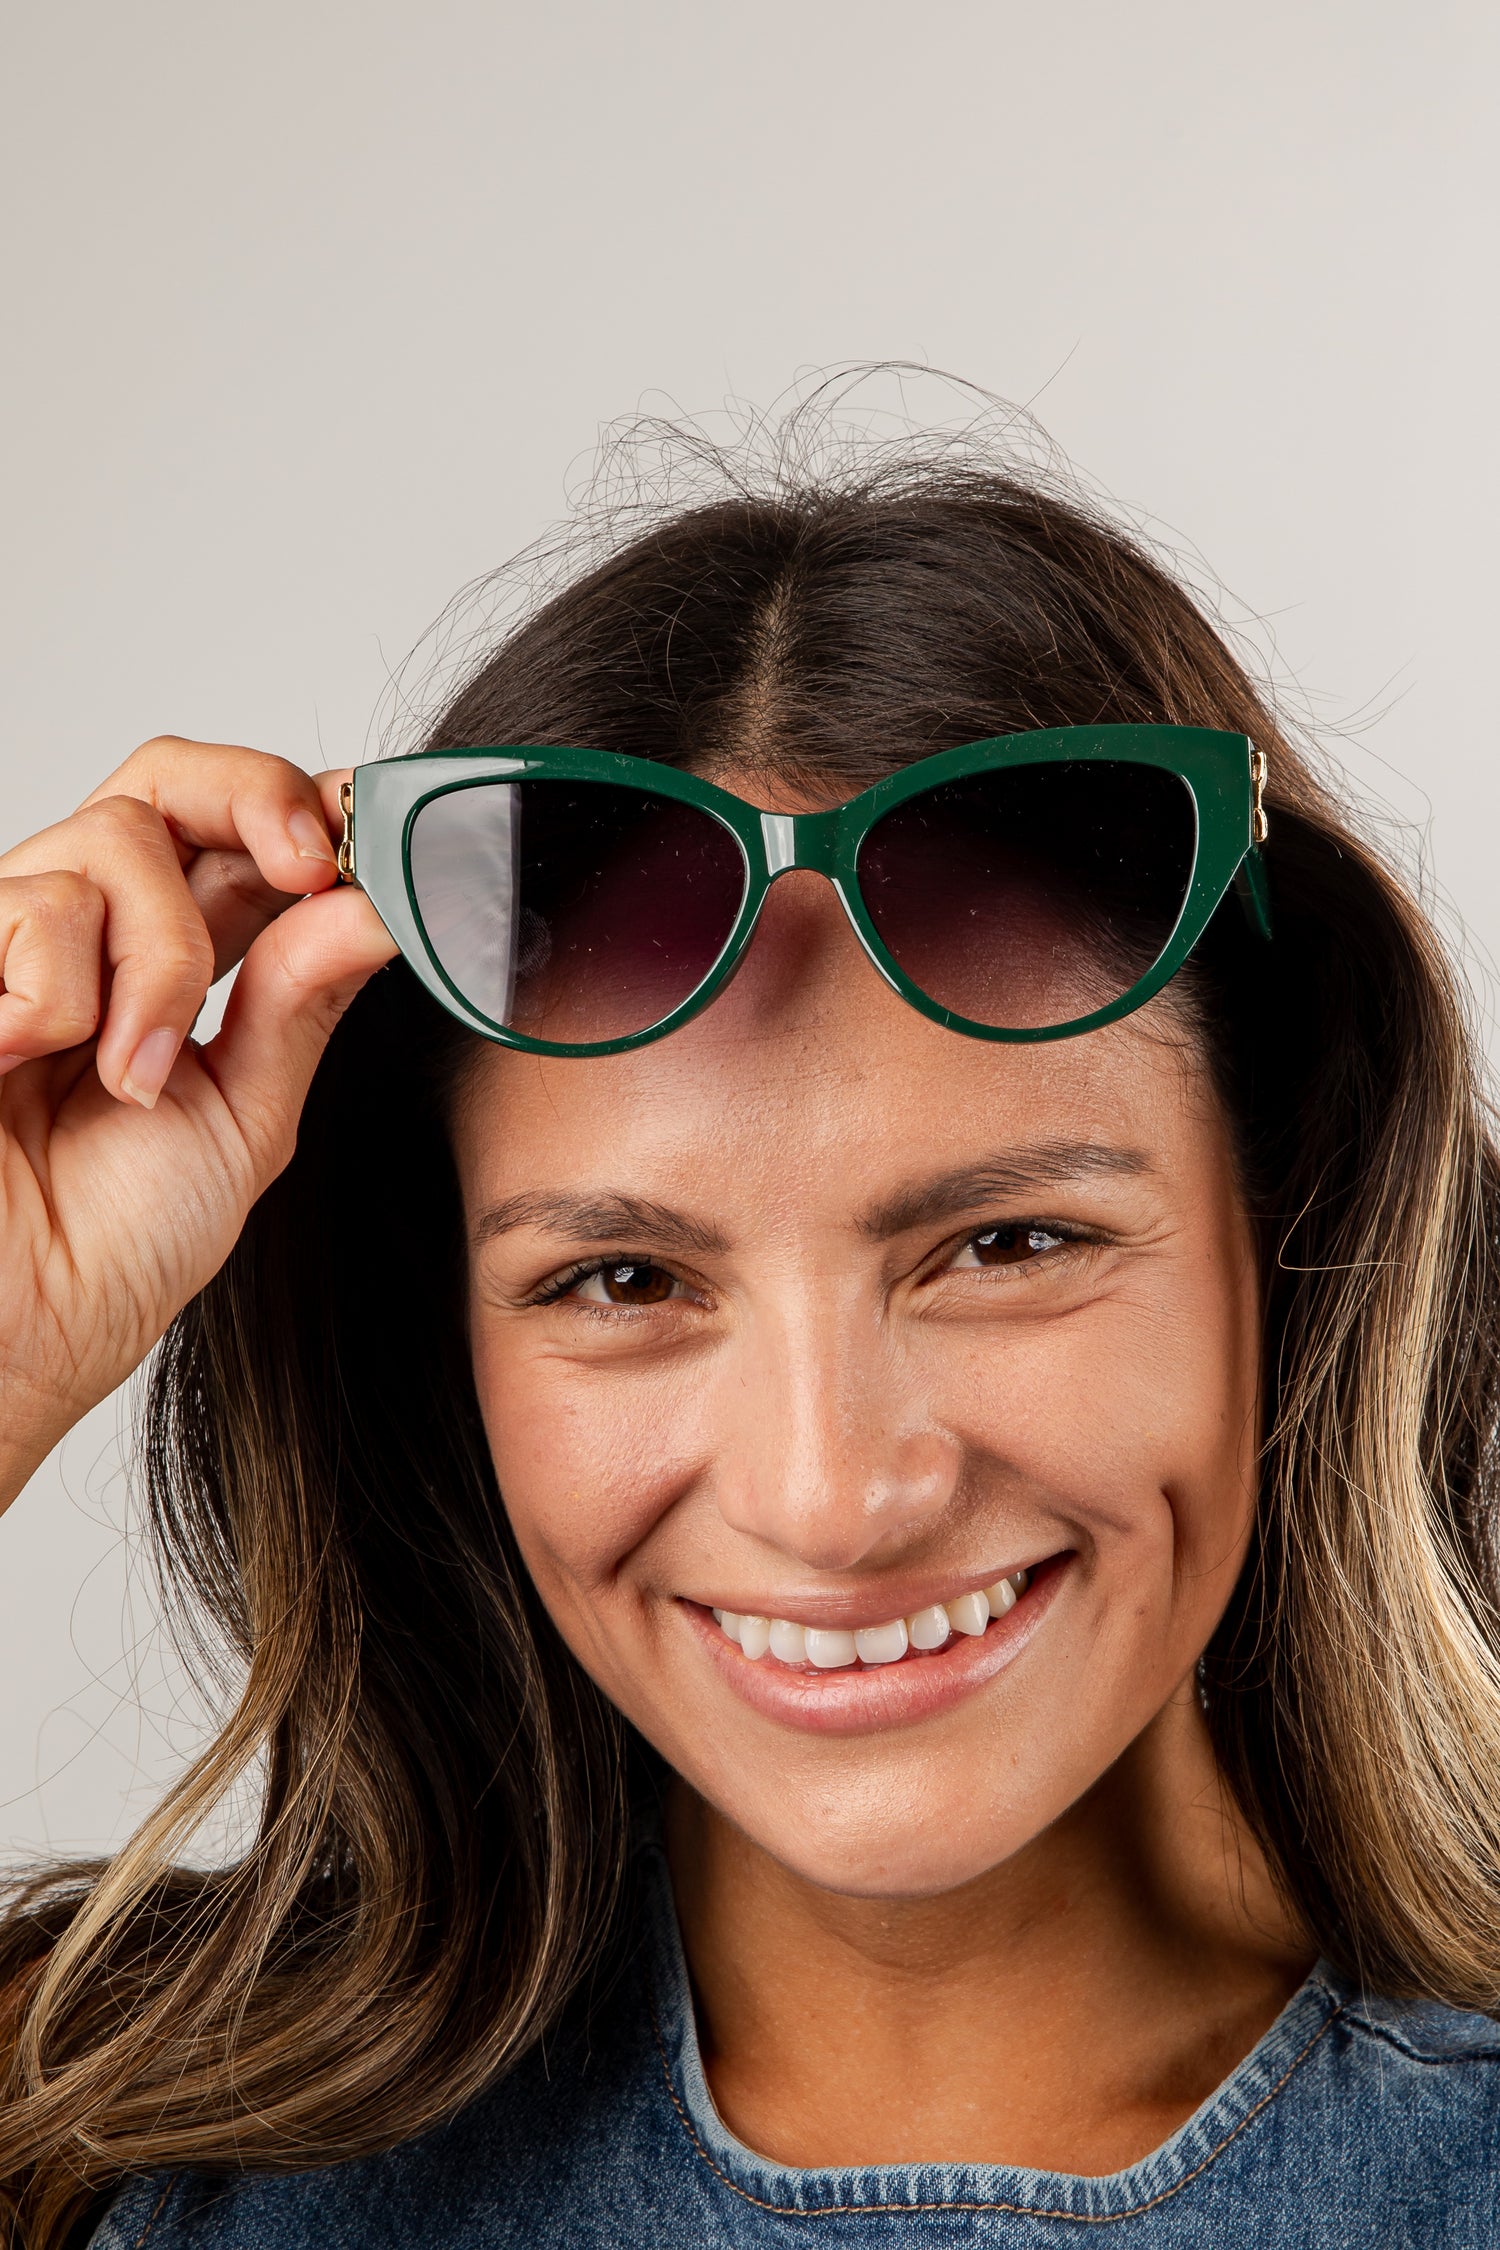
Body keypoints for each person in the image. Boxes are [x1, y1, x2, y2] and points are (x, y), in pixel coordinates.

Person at [3, 435, 1500, 2250]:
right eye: (622, 1282)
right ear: (444, 1333)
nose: (833, 1495)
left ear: (1297, 1223)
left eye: (1010, 1242)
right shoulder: (101, 2144)